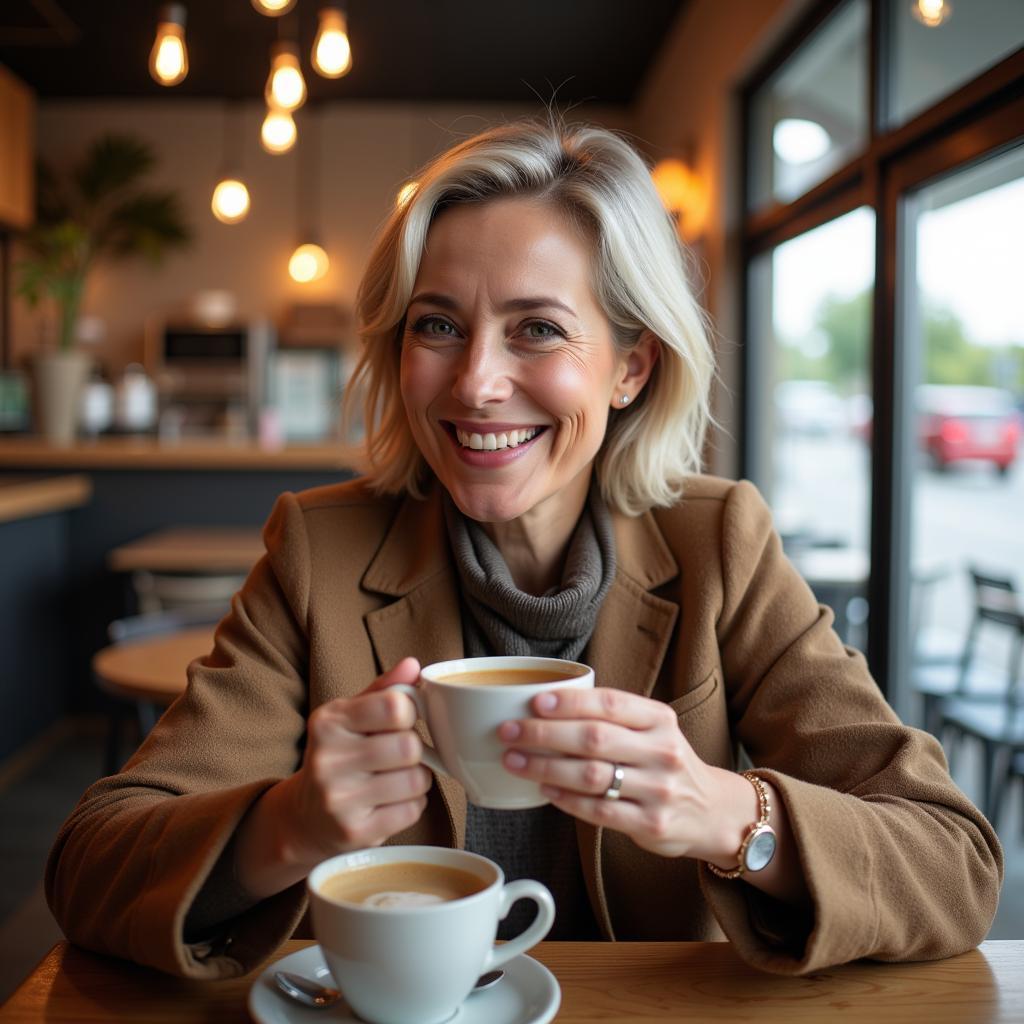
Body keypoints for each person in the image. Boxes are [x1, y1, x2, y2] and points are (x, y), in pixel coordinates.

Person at [46, 119, 1001, 979]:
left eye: (537, 329)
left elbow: (954, 866)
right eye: (438, 327)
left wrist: (727, 816)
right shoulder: (318, 551)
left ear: (631, 366)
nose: (477, 382)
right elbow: (91, 867)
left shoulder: (720, 544)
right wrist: (287, 823)